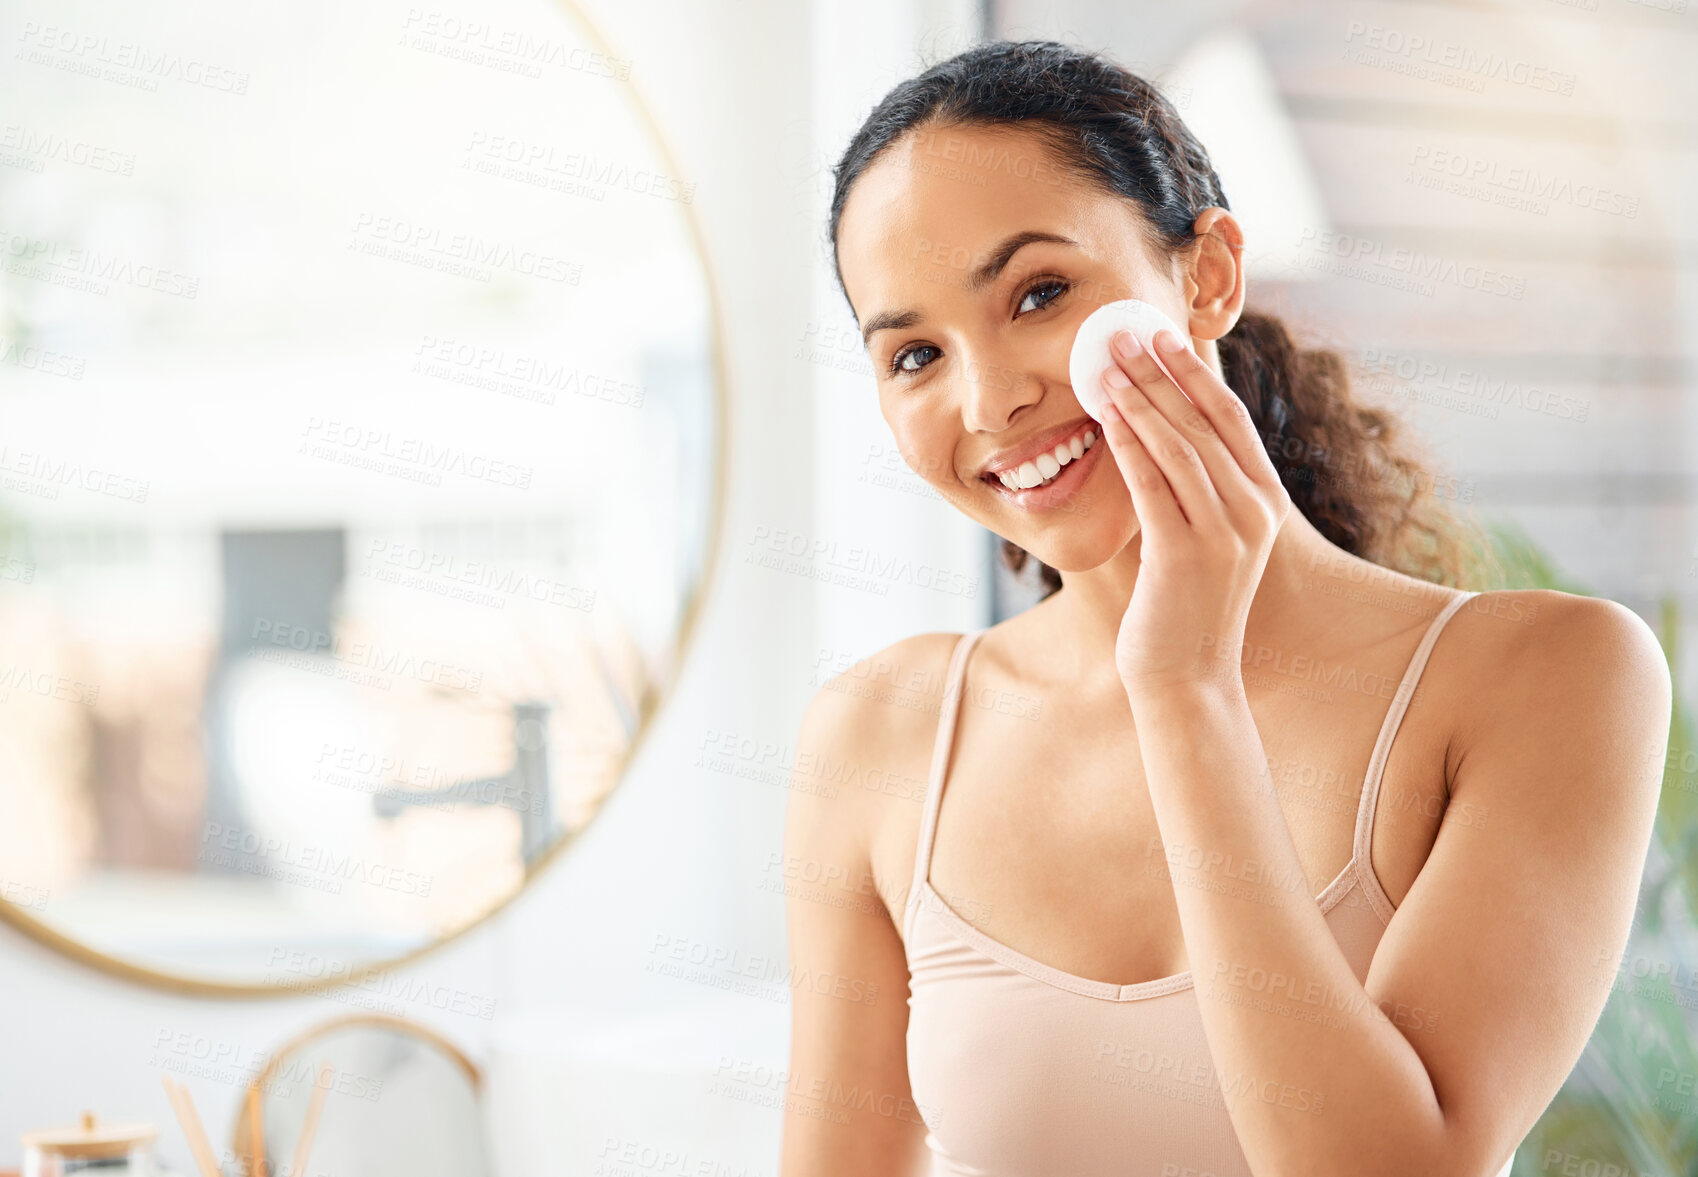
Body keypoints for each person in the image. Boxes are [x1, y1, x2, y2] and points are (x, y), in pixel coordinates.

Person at [779, 39, 1671, 1177]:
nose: (990, 396)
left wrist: (1186, 690)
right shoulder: (878, 733)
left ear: (1206, 277)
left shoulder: (1549, 678)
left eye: (1039, 293)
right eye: (913, 355)